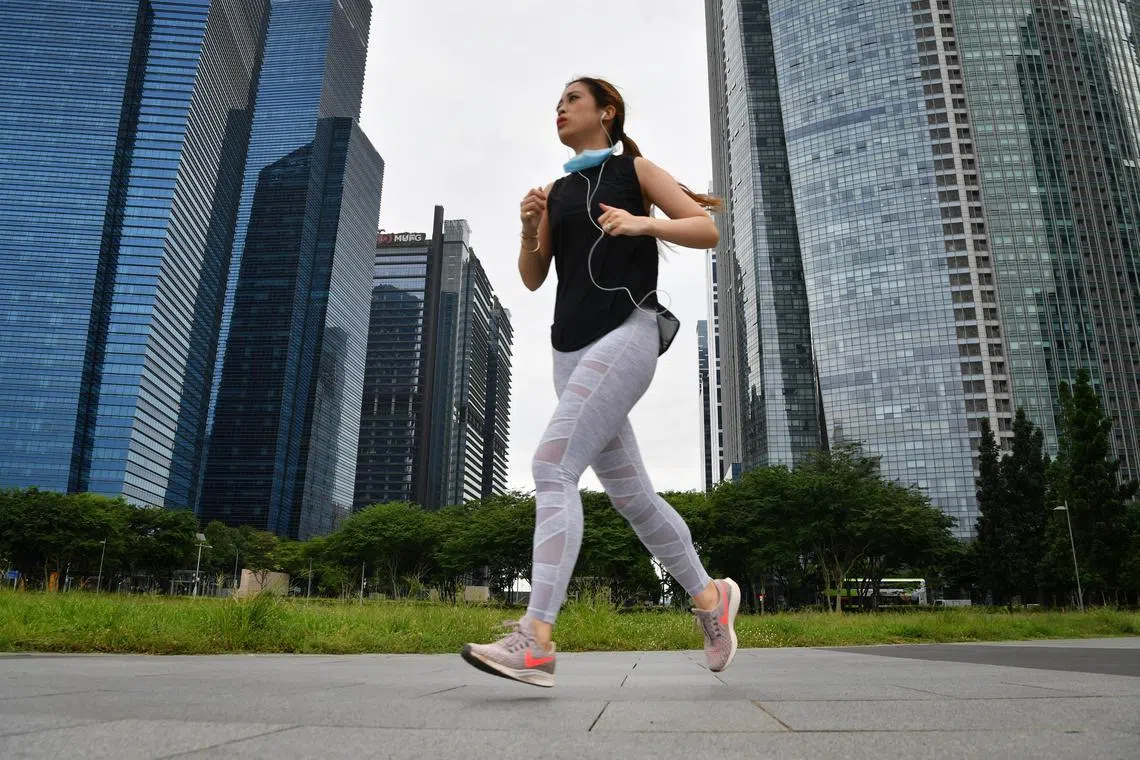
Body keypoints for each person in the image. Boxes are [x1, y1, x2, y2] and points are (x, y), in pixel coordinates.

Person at [461, 77, 739, 688]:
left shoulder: (634, 170)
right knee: (632, 498)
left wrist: (644, 227)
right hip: (569, 350)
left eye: (572, 100)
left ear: (605, 112)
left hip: (629, 331)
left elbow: (704, 229)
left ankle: (534, 639)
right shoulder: (559, 191)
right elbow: (535, 277)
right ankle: (709, 597)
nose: (560, 108)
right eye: (557, 103)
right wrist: (528, 224)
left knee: (552, 465)